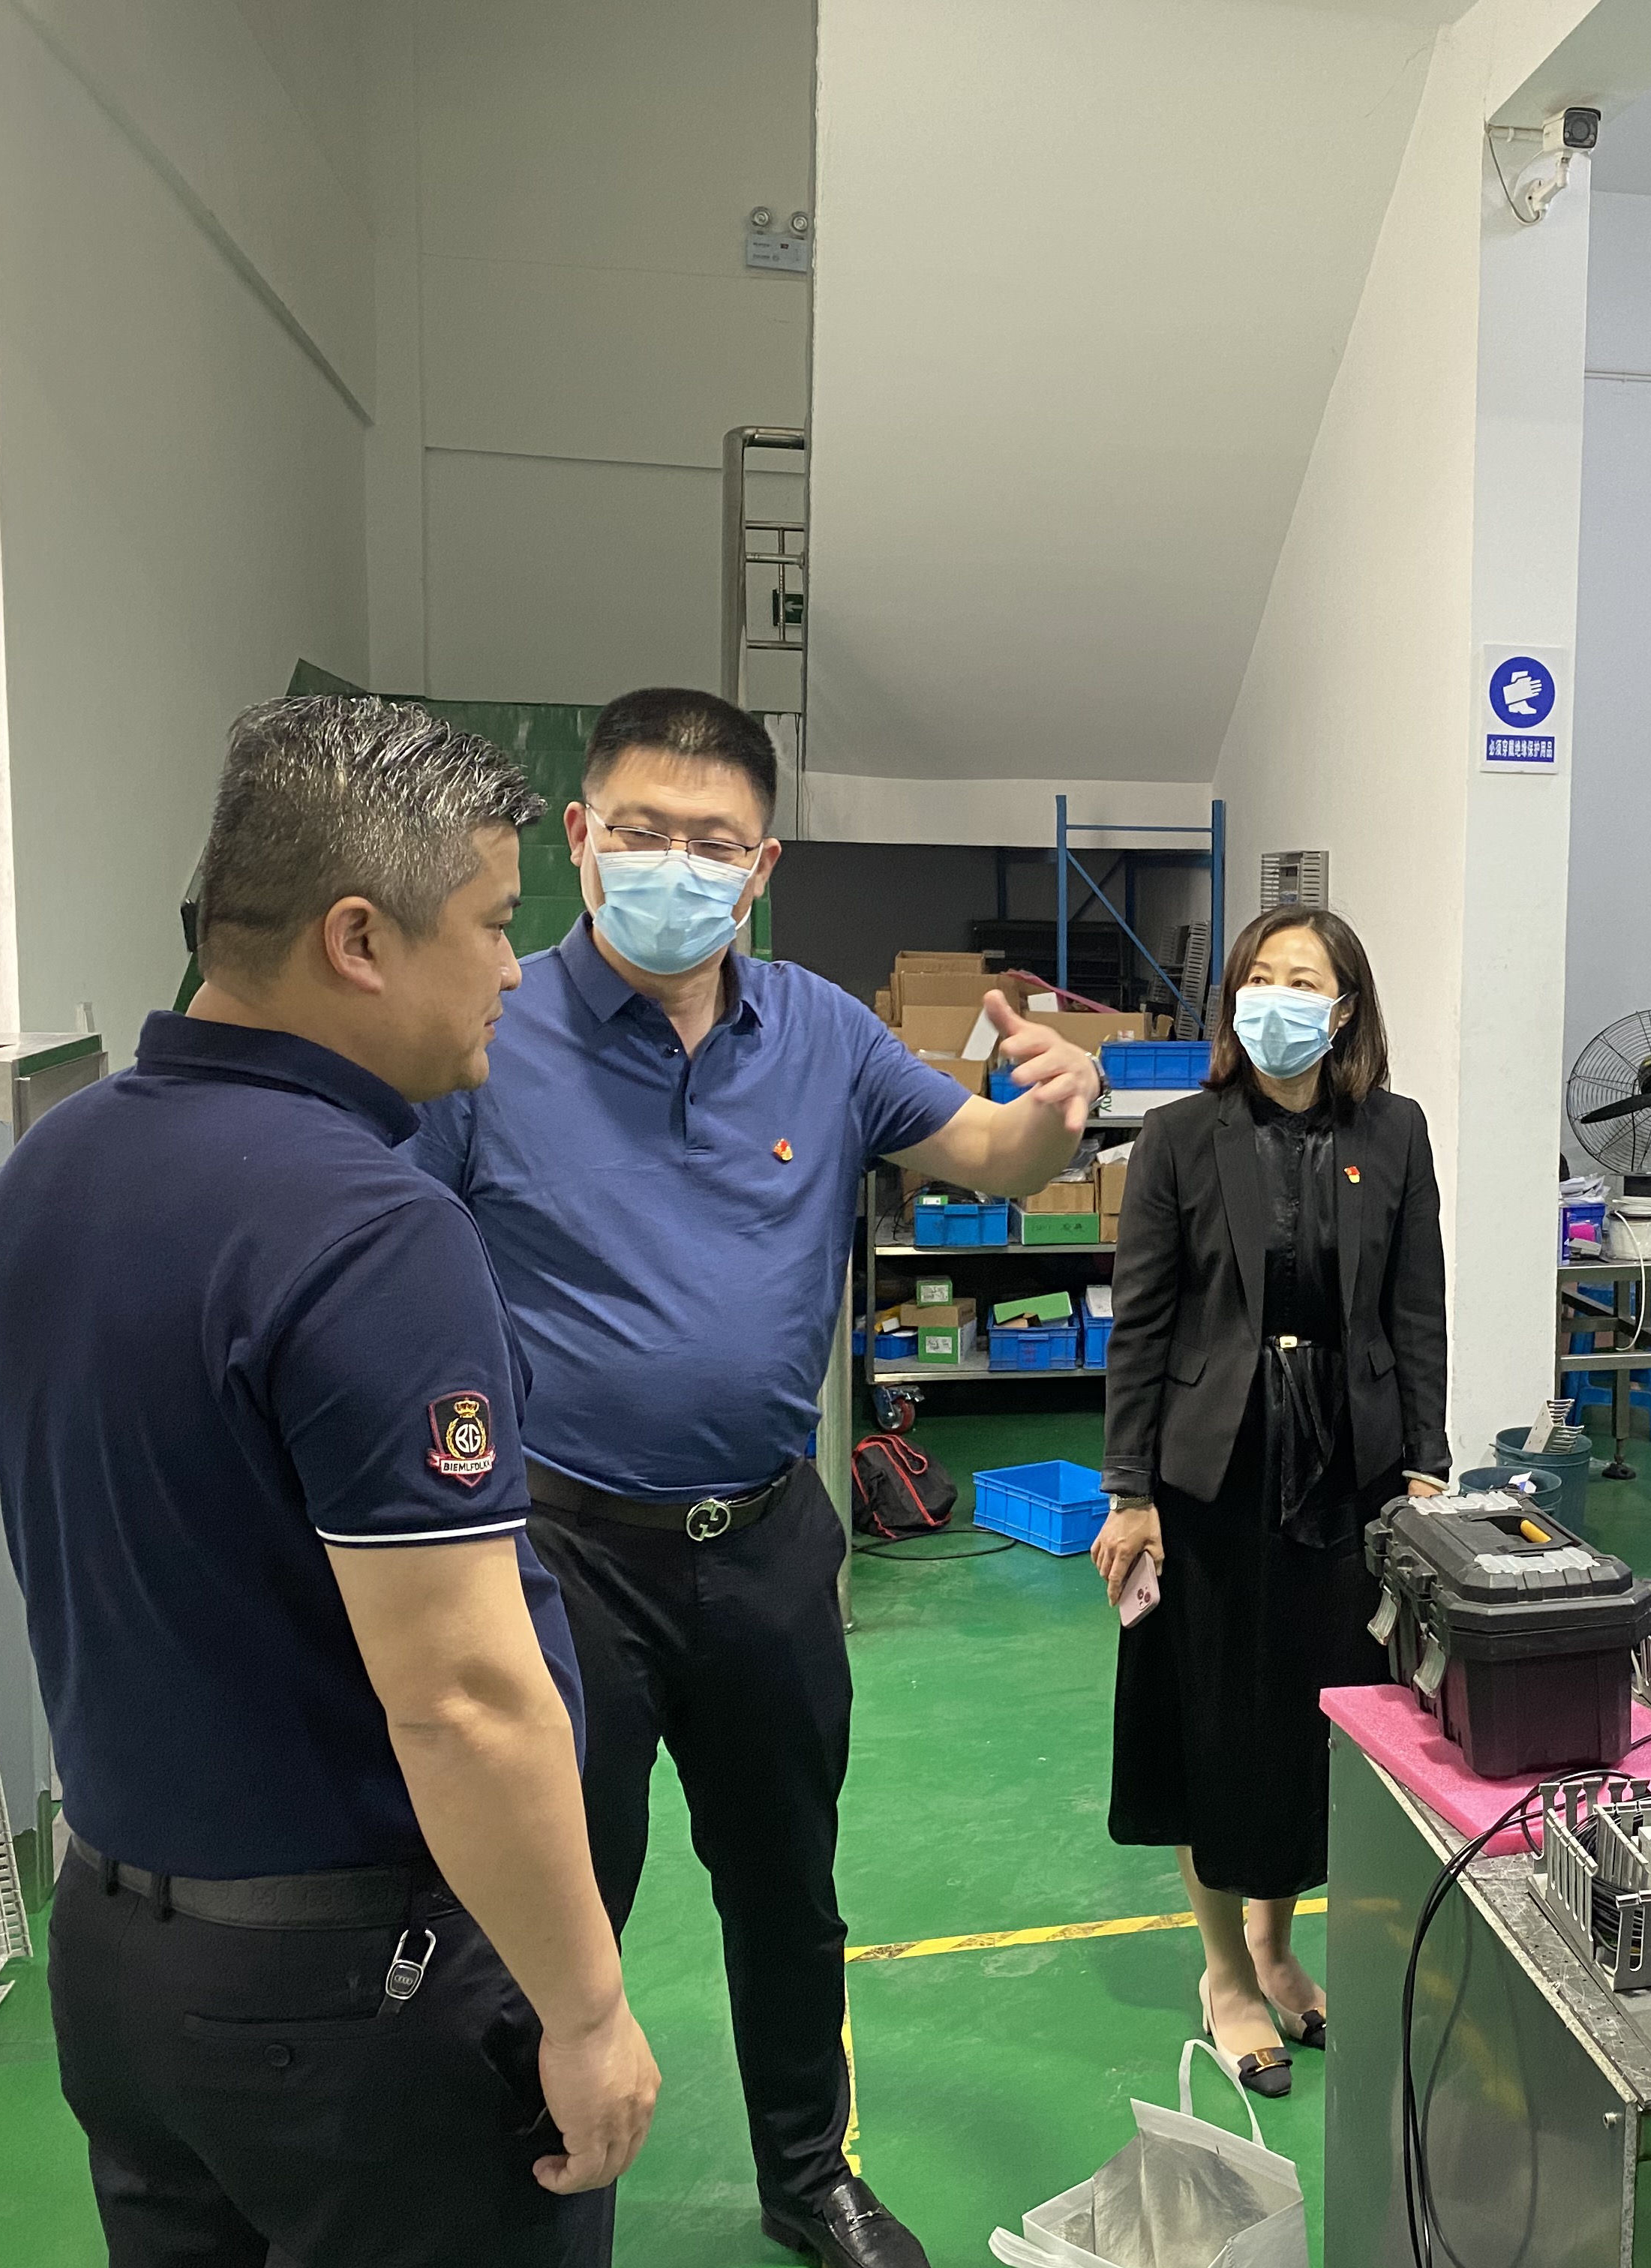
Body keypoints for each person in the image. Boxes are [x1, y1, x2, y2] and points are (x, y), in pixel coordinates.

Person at [409, 688, 1100, 2268]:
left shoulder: (824, 1035)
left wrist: (1054, 1115)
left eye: (713, 843)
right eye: (643, 831)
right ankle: (535, 2194)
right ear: (578, 838)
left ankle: (808, 2175)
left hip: (772, 1541)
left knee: (788, 1886)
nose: (677, 865)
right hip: (564, 1554)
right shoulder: (489, 1030)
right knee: (553, 1902)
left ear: (761, 863)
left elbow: (987, 1155)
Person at [0, 697, 656, 2266]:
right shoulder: (369, 1231)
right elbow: (462, 1697)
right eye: (493, 922)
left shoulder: (41, 1177)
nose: (514, 970)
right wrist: (585, 2008)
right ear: (360, 939)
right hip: (353, 2003)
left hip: (122, 1962)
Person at [1090, 907, 1448, 2098]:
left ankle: (1278, 1946)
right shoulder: (1181, 1137)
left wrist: (1427, 1464)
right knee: (1216, 1725)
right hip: (1211, 1479)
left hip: (1348, 1469)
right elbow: (1142, 1324)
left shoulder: (1393, 1132)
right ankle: (1225, 1973)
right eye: (1261, 976)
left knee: (1314, 1719)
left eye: (1305, 980)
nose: (1278, 997)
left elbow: (1416, 1308)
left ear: (1343, 1009)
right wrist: (1130, 1491)